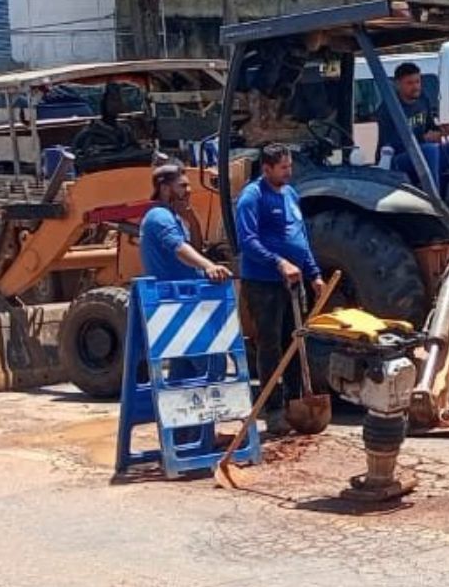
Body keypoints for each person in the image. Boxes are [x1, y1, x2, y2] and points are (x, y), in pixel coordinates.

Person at [234, 144, 324, 434]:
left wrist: (314, 274)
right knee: (271, 346)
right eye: (283, 167)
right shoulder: (252, 197)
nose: (289, 171)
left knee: (296, 343)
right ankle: (272, 409)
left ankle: (294, 402)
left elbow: (300, 235)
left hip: (294, 283)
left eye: (289, 166)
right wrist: (279, 262)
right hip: (264, 283)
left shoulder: (290, 194)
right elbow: (247, 240)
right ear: (267, 169)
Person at [138, 160, 229, 284]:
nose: (189, 190)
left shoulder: (175, 216)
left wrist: (193, 221)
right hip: (171, 295)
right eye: (183, 185)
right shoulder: (159, 215)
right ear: (165, 189)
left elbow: (196, 252)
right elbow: (180, 249)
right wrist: (209, 266)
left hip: (187, 291)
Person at [378, 61, 449, 162]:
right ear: (397, 84)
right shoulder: (388, 108)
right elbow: (390, 143)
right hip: (396, 158)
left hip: (423, 154)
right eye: (410, 83)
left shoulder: (423, 100)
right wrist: (424, 139)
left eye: (417, 82)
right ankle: (432, 178)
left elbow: (429, 127)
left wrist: (442, 130)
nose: (415, 87)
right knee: (430, 150)